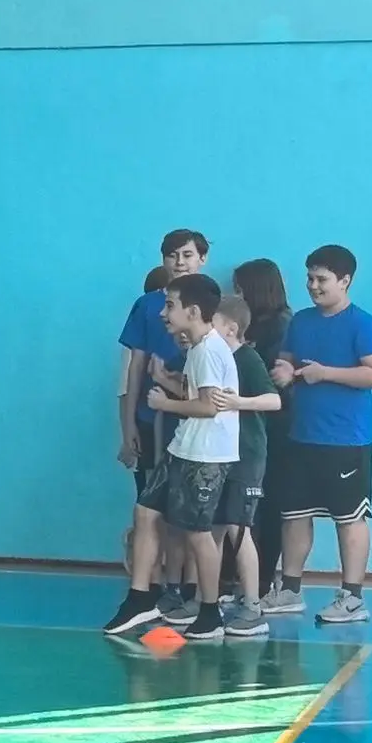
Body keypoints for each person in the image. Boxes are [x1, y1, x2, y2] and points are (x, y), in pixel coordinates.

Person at [105, 273, 240, 640]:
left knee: (197, 533)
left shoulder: (209, 350)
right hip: (183, 448)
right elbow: (196, 391)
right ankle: (140, 597)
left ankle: (210, 612)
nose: (162, 313)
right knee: (146, 512)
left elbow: (209, 406)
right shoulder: (196, 348)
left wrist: (165, 403)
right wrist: (167, 381)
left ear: (192, 312)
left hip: (205, 456)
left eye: (169, 305)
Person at [262, 245, 372, 625]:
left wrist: (326, 373)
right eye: (310, 278)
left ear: (345, 281)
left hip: (346, 439)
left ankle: (352, 597)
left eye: (322, 279)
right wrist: (284, 372)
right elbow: (287, 362)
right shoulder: (301, 321)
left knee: (349, 518)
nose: (313, 286)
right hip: (302, 435)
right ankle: (289, 590)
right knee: (294, 515)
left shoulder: (363, 324)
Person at [118, 230, 209, 614]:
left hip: (198, 427)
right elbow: (135, 368)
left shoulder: (214, 304)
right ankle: (154, 588)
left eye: (187, 254)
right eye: (172, 255)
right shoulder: (147, 306)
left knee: (192, 514)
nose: (180, 262)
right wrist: (128, 428)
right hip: (152, 421)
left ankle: (194, 589)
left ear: (202, 258)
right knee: (151, 509)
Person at [203, 295, 281, 638]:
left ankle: (252, 605)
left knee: (239, 528)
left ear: (231, 329)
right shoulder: (213, 358)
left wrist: (239, 402)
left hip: (246, 455)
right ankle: (206, 599)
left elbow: (273, 400)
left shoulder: (247, 359)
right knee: (214, 528)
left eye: (213, 324)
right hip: (219, 455)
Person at [231, 258, 293, 596]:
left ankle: (264, 578)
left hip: (273, 430)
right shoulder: (253, 326)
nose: (237, 296)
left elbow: (272, 381)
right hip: (250, 427)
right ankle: (244, 577)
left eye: (241, 290)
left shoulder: (280, 327)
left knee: (267, 506)